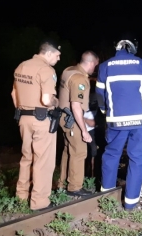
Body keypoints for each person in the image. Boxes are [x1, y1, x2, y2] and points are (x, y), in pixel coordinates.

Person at [96, 36, 142, 211]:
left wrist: (106, 112)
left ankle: (107, 199)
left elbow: (99, 96)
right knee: (137, 159)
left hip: (115, 122)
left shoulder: (104, 67)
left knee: (111, 156)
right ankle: (130, 203)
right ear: (134, 48)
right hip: (140, 123)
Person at [11, 39, 61, 211]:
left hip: (23, 118)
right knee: (43, 161)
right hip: (41, 119)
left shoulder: (21, 66)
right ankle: (39, 202)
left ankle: (21, 195)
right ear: (47, 53)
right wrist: (56, 101)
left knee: (26, 157)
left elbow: (14, 95)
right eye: (57, 55)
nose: (58, 58)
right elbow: (47, 100)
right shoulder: (47, 70)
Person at [58, 51, 99, 196]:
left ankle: (62, 184)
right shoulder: (79, 79)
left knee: (68, 151)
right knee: (79, 152)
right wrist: (84, 130)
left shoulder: (68, 71)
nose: (95, 68)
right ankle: (75, 187)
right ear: (90, 63)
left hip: (63, 117)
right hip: (73, 119)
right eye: (95, 65)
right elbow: (76, 106)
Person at [83, 109, 97, 178]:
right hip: (84, 130)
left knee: (93, 153)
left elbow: (92, 123)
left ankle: (92, 177)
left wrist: (83, 118)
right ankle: (87, 176)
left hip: (93, 131)